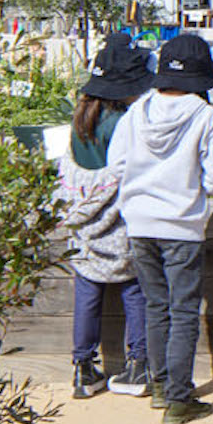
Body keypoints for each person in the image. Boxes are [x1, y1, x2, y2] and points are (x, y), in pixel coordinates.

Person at [109, 31, 213, 424]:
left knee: (155, 306)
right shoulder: (206, 118)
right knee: (183, 311)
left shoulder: (136, 113)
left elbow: (116, 166)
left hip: (139, 223)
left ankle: (161, 386)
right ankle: (181, 400)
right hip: (182, 225)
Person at [57, 32, 154, 400]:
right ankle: (138, 363)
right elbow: (131, 170)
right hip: (120, 219)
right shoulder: (124, 121)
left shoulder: (79, 118)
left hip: (84, 223)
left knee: (87, 291)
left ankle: (83, 368)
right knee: (134, 289)